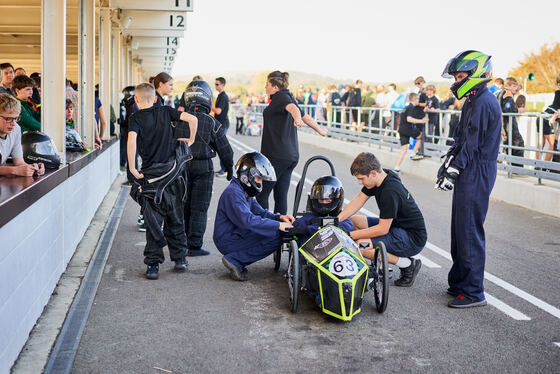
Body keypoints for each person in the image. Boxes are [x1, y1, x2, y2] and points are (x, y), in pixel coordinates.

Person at [438, 50, 502, 308]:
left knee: (470, 230)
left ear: (475, 74)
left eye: (461, 76)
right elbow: (461, 139)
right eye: (455, 76)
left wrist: (456, 169)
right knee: (459, 229)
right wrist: (448, 164)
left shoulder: (485, 101)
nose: (456, 81)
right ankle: (460, 282)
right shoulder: (473, 100)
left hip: (478, 169)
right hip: (470, 167)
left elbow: (473, 143)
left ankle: (474, 292)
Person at [127, 83, 198, 280]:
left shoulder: (135, 118)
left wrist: (132, 168)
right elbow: (192, 119)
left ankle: (153, 265)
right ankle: (180, 259)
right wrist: (190, 140)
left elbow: (131, 141)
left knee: (153, 223)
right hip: (173, 176)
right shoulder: (167, 111)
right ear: (156, 98)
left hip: (151, 180)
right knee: (176, 218)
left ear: (136, 100)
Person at [338, 152, 427, 287]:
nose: (359, 182)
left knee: (359, 246)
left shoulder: (390, 192)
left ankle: (408, 265)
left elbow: (382, 228)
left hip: (411, 238)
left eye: (361, 178)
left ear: (373, 173)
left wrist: (349, 236)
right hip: (395, 227)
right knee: (353, 221)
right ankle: (380, 259)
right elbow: (358, 201)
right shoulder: (383, 175)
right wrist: (336, 220)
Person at [213, 152, 294, 281]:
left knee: (274, 230)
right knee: (275, 235)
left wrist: (279, 218)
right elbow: (248, 221)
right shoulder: (234, 193)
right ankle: (234, 260)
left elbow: (261, 212)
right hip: (227, 240)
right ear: (247, 177)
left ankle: (238, 258)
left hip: (235, 234)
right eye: (258, 178)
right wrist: (278, 225)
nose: (260, 182)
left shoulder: (242, 190)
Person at [256, 71, 327, 215]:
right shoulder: (288, 97)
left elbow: (293, 109)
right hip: (290, 156)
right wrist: (320, 130)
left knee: (261, 194)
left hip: (276, 155)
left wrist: (297, 118)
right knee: (280, 195)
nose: (265, 87)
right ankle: (280, 229)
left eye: (267, 84)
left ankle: (262, 227)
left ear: (275, 87)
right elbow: (305, 116)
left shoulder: (281, 98)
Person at [179, 80, 234, 257]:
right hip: (204, 168)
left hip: (181, 166)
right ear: (207, 98)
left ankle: (180, 242)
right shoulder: (212, 122)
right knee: (199, 207)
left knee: (182, 205)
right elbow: (225, 150)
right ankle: (194, 246)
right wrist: (229, 168)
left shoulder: (178, 120)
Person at [292, 176, 353, 245]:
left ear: (336, 199)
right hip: (312, 252)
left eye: (327, 199)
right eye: (321, 200)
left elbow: (348, 226)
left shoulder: (341, 217)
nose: (324, 202)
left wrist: (311, 229)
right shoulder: (309, 217)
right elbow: (295, 225)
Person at [0, 94, 45, 177]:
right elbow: (16, 169)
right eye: (8, 119)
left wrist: (33, 168)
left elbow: (19, 162)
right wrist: (14, 170)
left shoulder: (16, 129)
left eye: (16, 118)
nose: (13, 123)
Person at [394, 93, 426, 171]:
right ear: (415, 99)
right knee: (421, 137)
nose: (418, 101)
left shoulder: (405, 107)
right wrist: (421, 121)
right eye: (417, 99)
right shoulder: (411, 107)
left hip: (401, 129)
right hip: (408, 129)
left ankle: (397, 167)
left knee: (404, 149)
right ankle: (413, 153)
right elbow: (409, 119)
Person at [500, 77, 525, 169]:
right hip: (508, 124)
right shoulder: (507, 94)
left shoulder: (502, 92)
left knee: (509, 144)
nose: (515, 88)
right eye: (513, 86)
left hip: (504, 125)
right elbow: (508, 109)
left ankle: (511, 167)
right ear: (507, 86)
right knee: (518, 143)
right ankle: (517, 170)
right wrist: (519, 110)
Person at [213, 77, 230, 177]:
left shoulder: (223, 96)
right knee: (220, 147)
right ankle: (223, 169)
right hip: (220, 124)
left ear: (223, 85)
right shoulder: (220, 95)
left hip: (223, 124)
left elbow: (218, 111)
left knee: (222, 148)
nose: (216, 86)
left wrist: (208, 104)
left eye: (217, 84)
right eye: (215, 84)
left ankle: (225, 170)